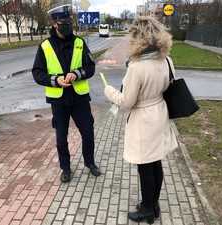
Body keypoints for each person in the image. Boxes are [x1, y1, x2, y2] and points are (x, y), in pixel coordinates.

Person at [104, 16, 178, 224]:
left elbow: (127, 102)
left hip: (143, 119)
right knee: (156, 163)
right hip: (160, 113)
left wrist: (109, 91)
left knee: (145, 166)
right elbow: (169, 86)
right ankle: (153, 204)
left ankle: (146, 209)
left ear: (138, 38)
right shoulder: (167, 60)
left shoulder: (136, 67)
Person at [32, 4, 101, 183]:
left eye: (70, 21)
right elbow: (37, 73)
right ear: (54, 23)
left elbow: (91, 67)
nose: (68, 25)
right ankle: (65, 168)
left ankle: (90, 162)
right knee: (61, 137)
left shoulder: (80, 43)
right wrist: (55, 80)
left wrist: (77, 74)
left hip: (80, 99)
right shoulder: (45, 46)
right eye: (64, 22)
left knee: (88, 133)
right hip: (59, 101)